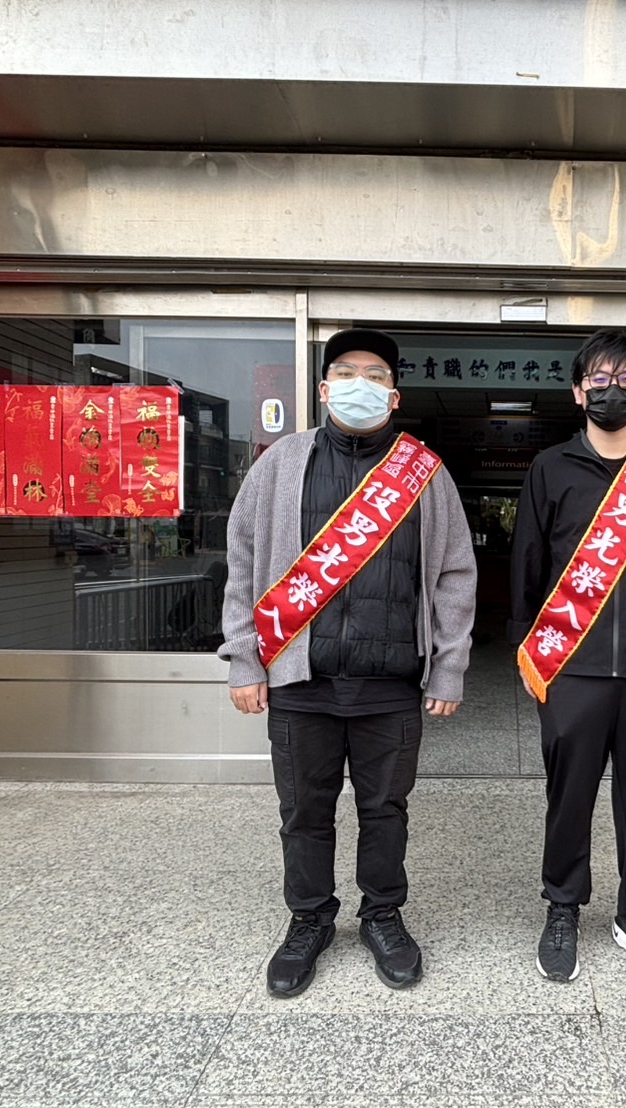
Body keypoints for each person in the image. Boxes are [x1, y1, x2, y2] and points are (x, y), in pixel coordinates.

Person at [220, 328, 476, 998]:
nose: (360, 383)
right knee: (304, 812)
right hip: (299, 681)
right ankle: (308, 919)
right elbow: (242, 561)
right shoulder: (280, 464)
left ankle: (382, 915)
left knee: (385, 810)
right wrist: (244, 659)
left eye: (375, 374)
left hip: (389, 685)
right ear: (324, 388)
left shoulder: (423, 472)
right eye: (346, 372)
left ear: (394, 395)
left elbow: (455, 574)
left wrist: (448, 666)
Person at [509, 328, 626, 988]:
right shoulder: (550, 468)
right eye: (598, 378)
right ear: (577, 391)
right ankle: (562, 908)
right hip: (570, 667)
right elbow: (527, 565)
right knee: (568, 798)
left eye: (625, 379)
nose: (611, 389)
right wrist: (530, 656)